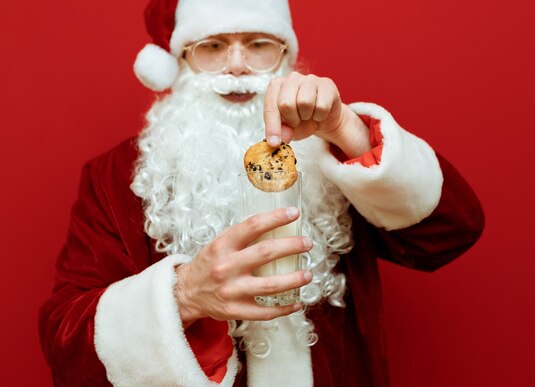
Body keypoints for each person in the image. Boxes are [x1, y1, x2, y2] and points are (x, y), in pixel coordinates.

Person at [39, 0, 485, 386]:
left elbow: (451, 232)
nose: (237, 66)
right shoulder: (114, 176)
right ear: (180, 62)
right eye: (212, 46)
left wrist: (347, 129)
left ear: (286, 57)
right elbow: (66, 343)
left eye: (259, 45)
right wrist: (185, 294)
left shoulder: (334, 150)